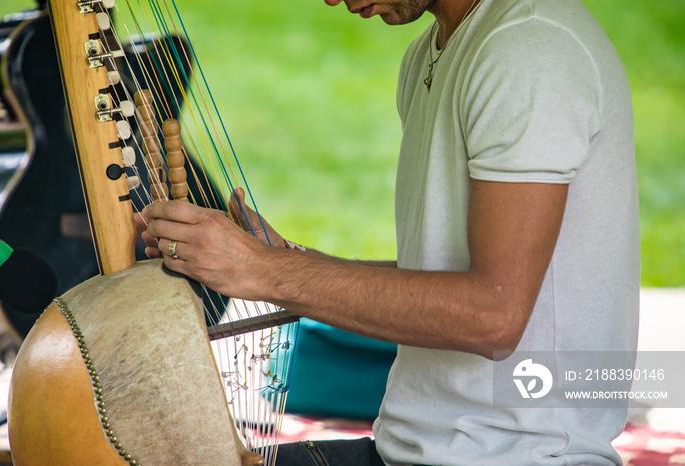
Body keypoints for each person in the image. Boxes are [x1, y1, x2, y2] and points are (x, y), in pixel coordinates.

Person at [135, 0, 639, 464]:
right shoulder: (429, 54)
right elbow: (441, 281)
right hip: (418, 450)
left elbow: (492, 315)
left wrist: (265, 271)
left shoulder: (530, 48)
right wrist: (280, 257)